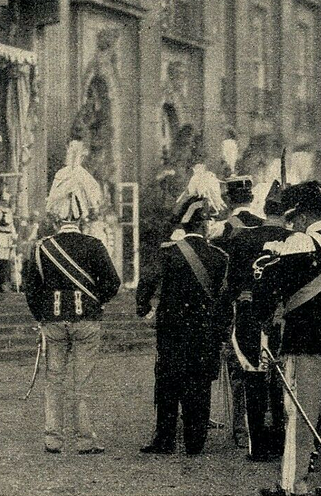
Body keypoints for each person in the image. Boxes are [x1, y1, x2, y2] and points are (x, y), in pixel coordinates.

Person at [252, 181, 321, 496]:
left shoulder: (297, 245)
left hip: (306, 341)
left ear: (301, 217)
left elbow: (266, 294)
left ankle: (293, 485)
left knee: (300, 415)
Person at [22, 144, 120, 454]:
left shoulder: (42, 247)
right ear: (80, 214)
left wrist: (40, 315)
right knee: (83, 382)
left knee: (54, 381)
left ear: (57, 214)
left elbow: (31, 288)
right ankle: (85, 440)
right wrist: (97, 301)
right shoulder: (93, 245)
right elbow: (113, 282)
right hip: (87, 319)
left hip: (52, 321)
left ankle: (52, 438)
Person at [137, 166, 229, 456]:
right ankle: (194, 441)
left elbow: (147, 282)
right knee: (199, 386)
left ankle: (164, 440)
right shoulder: (219, 257)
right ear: (204, 226)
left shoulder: (169, 252)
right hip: (205, 333)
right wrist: (222, 330)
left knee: (167, 385)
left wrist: (143, 307)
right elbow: (224, 300)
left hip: (172, 330)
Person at [215, 181, 292, 461]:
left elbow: (230, 286)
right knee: (281, 382)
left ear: (266, 208)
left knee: (254, 378)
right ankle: (283, 442)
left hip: (249, 316)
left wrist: (223, 321)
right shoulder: (295, 238)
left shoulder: (242, 238)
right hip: (284, 319)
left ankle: (258, 445)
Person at [213, 173, 267, 450]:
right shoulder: (265, 226)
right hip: (267, 309)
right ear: (252, 198)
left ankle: (240, 429)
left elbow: (220, 278)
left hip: (236, 308)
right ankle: (265, 425)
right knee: (265, 367)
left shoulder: (223, 230)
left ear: (229, 199)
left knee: (239, 369)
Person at [0, 191, 18, 293]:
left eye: (7, 201)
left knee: (6, 262)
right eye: (4, 201)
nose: (5, 203)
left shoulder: (9, 212)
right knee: (0, 262)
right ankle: (0, 284)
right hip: (0, 238)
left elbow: (11, 225)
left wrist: (14, 235)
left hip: (8, 239)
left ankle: (5, 283)